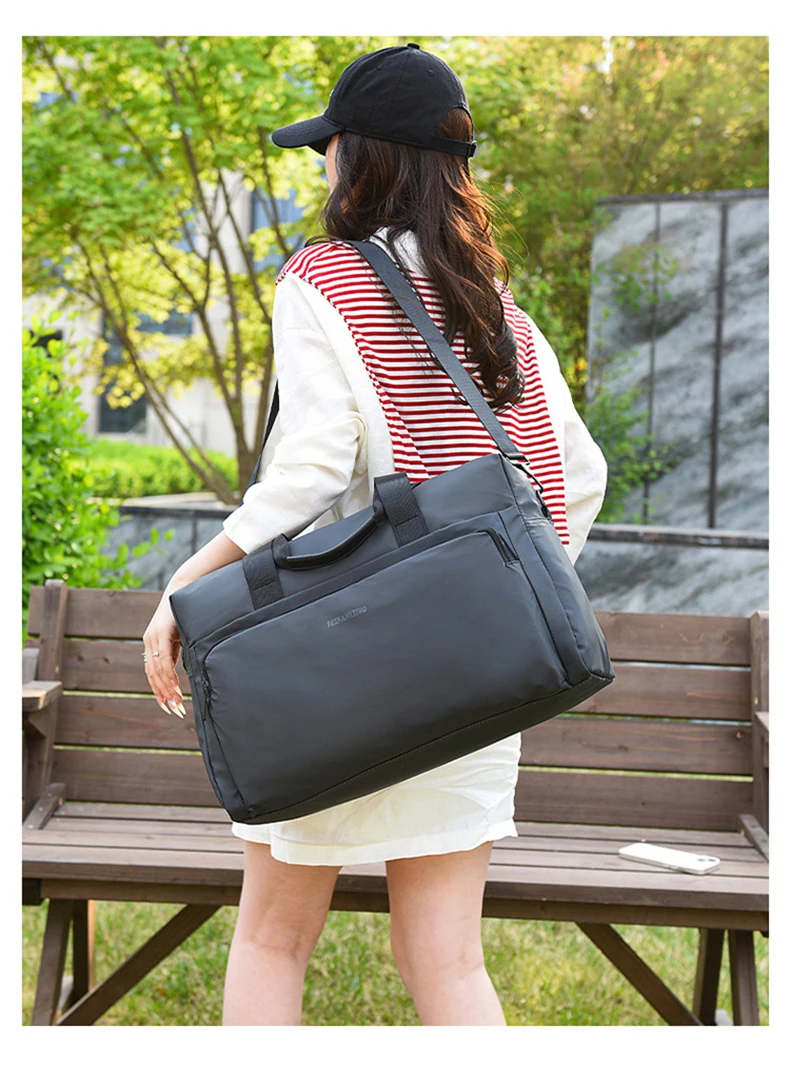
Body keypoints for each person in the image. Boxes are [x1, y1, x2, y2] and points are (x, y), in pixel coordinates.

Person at [142, 43, 608, 1026]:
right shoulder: (500, 309)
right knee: (447, 960)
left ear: (361, 156)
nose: (323, 163)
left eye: (330, 145)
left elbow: (315, 466)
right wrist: (495, 595)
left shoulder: (325, 278)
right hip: (478, 677)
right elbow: (575, 475)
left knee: (274, 939)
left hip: (342, 671)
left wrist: (192, 579)